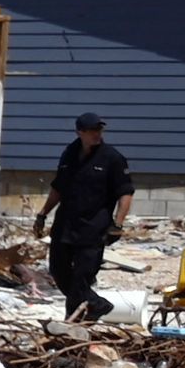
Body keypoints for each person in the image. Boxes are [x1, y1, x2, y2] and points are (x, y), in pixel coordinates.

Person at [39, 113, 134, 324]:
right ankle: (98, 305)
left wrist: (117, 224)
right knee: (59, 271)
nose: (97, 134)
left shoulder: (112, 158)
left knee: (82, 277)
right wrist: (42, 214)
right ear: (80, 132)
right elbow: (58, 188)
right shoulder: (69, 153)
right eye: (92, 131)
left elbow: (125, 193)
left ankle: (72, 322)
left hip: (93, 227)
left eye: (99, 130)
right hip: (65, 225)